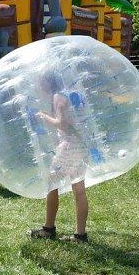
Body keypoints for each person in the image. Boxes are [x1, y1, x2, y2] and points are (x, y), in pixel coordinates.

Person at [29, 74, 89, 243]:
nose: (39, 84)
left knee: (51, 183)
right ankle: (80, 235)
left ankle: (48, 229)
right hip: (81, 146)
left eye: (41, 80)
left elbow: (62, 124)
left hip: (69, 147)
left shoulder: (58, 96)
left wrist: (43, 116)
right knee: (79, 191)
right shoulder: (71, 94)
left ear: (48, 81)